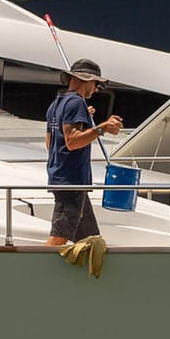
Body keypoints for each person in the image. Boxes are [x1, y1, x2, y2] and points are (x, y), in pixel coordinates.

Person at [45, 57, 123, 247]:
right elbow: (71, 141)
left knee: (90, 241)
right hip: (71, 182)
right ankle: (30, 274)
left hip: (62, 178)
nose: (96, 89)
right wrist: (102, 127)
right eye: (96, 84)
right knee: (59, 236)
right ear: (87, 80)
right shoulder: (76, 103)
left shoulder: (56, 105)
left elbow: (50, 144)